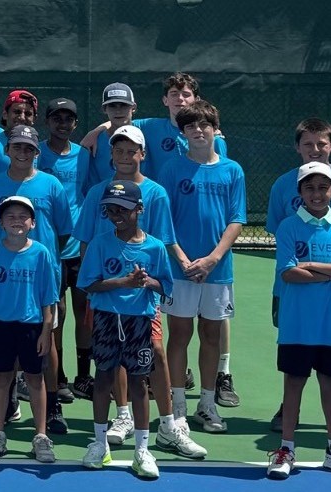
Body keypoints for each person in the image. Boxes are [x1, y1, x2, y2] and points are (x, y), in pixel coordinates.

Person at [72, 126, 205, 459]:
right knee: (111, 361)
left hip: (143, 300)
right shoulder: (96, 194)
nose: (125, 157)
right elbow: (87, 242)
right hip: (105, 297)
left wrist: (179, 266)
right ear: (111, 155)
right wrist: (93, 288)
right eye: (119, 151)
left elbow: (162, 241)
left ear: (142, 154)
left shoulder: (156, 194)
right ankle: (123, 415)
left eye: (132, 151)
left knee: (155, 354)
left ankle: (169, 425)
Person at [265, 118, 331, 435]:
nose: (315, 149)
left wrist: (317, 268)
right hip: (292, 293)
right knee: (295, 347)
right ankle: (289, 407)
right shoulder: (282, 186)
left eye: (321, 143)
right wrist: (309, 270)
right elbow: (282, 242)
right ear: (298, 147)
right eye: (308, 143)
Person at [0, 124, 74, 435]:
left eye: (28, 148)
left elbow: (63, 230)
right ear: (7, 150)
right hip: (6, 278)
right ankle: (10, 404)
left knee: (48, 341)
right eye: (16, 146)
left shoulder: (51, 185)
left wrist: (41, 262)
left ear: (36, 152)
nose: (22, 152)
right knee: (6, 337)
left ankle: (52, 405)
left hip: (41, 277)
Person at [75, 180, 173, 479]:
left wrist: (147, 282)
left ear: (139, 210)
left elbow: (166, 285)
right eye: (110, 209)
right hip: (106, 319)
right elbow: (88, 284)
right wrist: (122, 282)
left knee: (139, 383)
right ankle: (100, 443)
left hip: (139, 321)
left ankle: (142, 450)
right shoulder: (100, 243)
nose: (116, 214)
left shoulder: (155, 247)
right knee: (103, 378)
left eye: (123, 209)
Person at [161, 100, 243, 434]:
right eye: (191, 126)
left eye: (204, 125)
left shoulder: (232, 170)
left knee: (211, 335)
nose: (198, 130)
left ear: (214, 129)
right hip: (180, 270)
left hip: (218, 271)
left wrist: (212, 259)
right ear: (183, 133)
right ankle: (177, 407)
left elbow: (237, 220)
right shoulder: (171, 169)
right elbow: (163, 222)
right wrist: (181, 259)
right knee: (179, 335)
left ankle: (206, 406)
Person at [0, 196, 60, 463]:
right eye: (10, 216)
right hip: (0, 327)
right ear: (0, 223)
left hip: (32, 327)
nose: (16, 221)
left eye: (23, 216)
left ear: (33, 223)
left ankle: (40, 436)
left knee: (35, 379)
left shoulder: (41, 254)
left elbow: (49, 298)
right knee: (2, 378)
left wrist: (47, 332)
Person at [39, 98, 91, 405]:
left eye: (68, 118)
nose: (62, 123)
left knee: (85, 312)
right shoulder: (36, 154)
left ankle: (83, 375)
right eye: (56, 117)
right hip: (51, 249)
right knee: (56, 313)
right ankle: (57, 378)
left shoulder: (85, 155)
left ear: (75, 123)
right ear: (47, 122)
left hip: (80, 248)